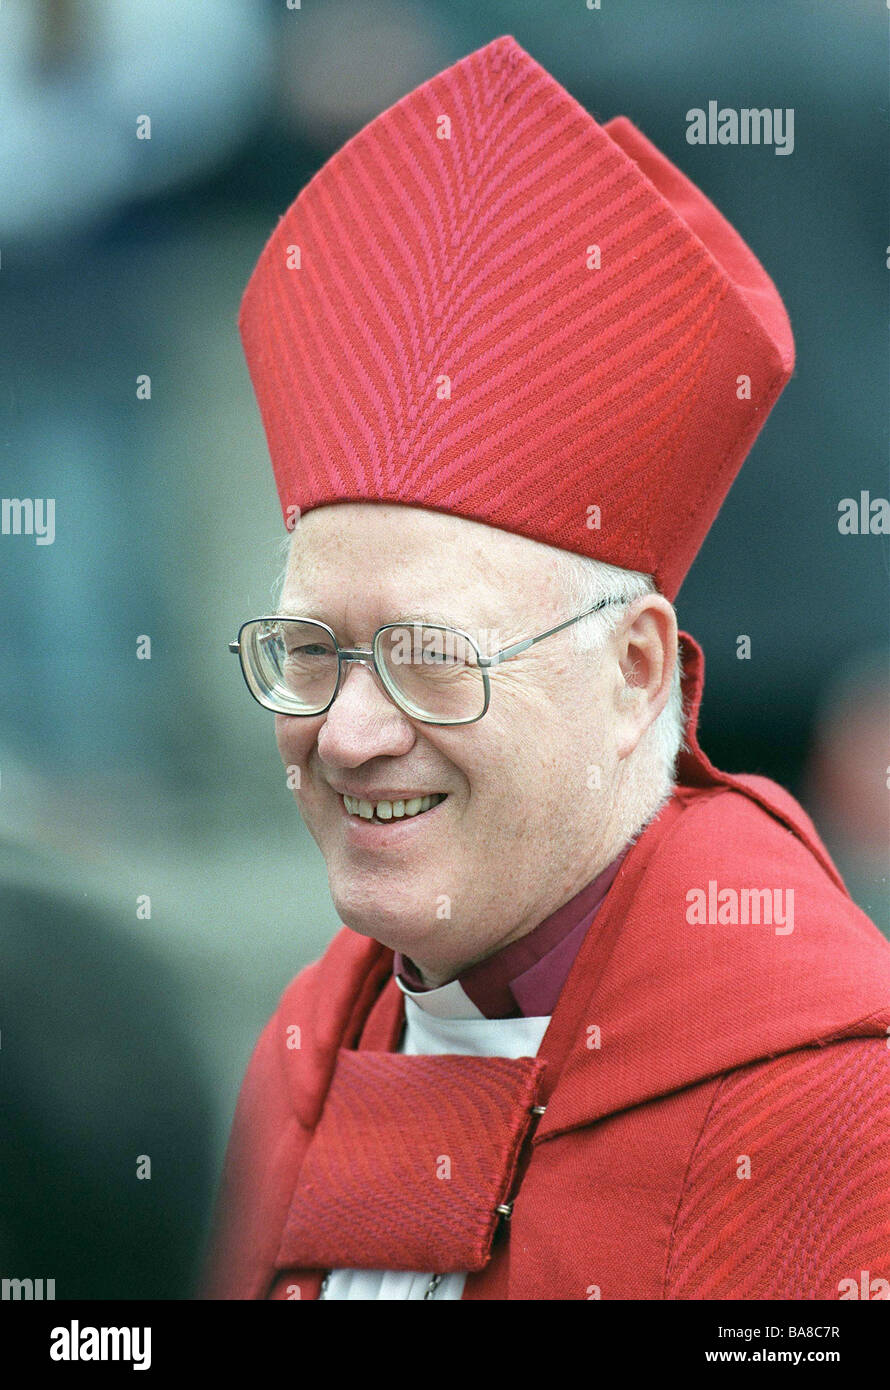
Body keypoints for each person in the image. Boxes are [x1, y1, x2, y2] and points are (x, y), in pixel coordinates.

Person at [200, 35, 890, 1301]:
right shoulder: (306, 1044)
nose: (347, 733)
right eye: (308, 653)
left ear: (633, 673)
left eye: (430, 658)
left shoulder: (830, 1107)